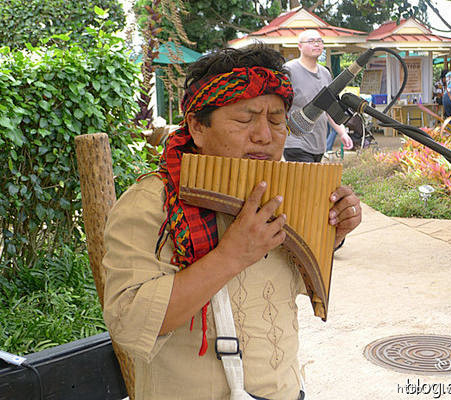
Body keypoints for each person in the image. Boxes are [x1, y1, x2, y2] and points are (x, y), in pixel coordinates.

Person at [101, 44, 362, 400]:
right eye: (244, 119)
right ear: (197, 126)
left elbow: (291, 287)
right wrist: (231, 256)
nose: (264, 136)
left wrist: (330, 232)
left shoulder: (282, 192)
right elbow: (129, 324)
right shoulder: (150, 205)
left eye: (276, 120)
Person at [283, 29, 352, 162]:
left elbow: (329, 108)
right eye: (311, 41)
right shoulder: (289, 70)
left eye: (319, 41)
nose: (317, 44)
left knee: (313, 182)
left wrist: (342, 132)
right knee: (305, 181)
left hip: (319, 144)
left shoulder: (325, 74)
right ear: (300, 46)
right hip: (295, 143)